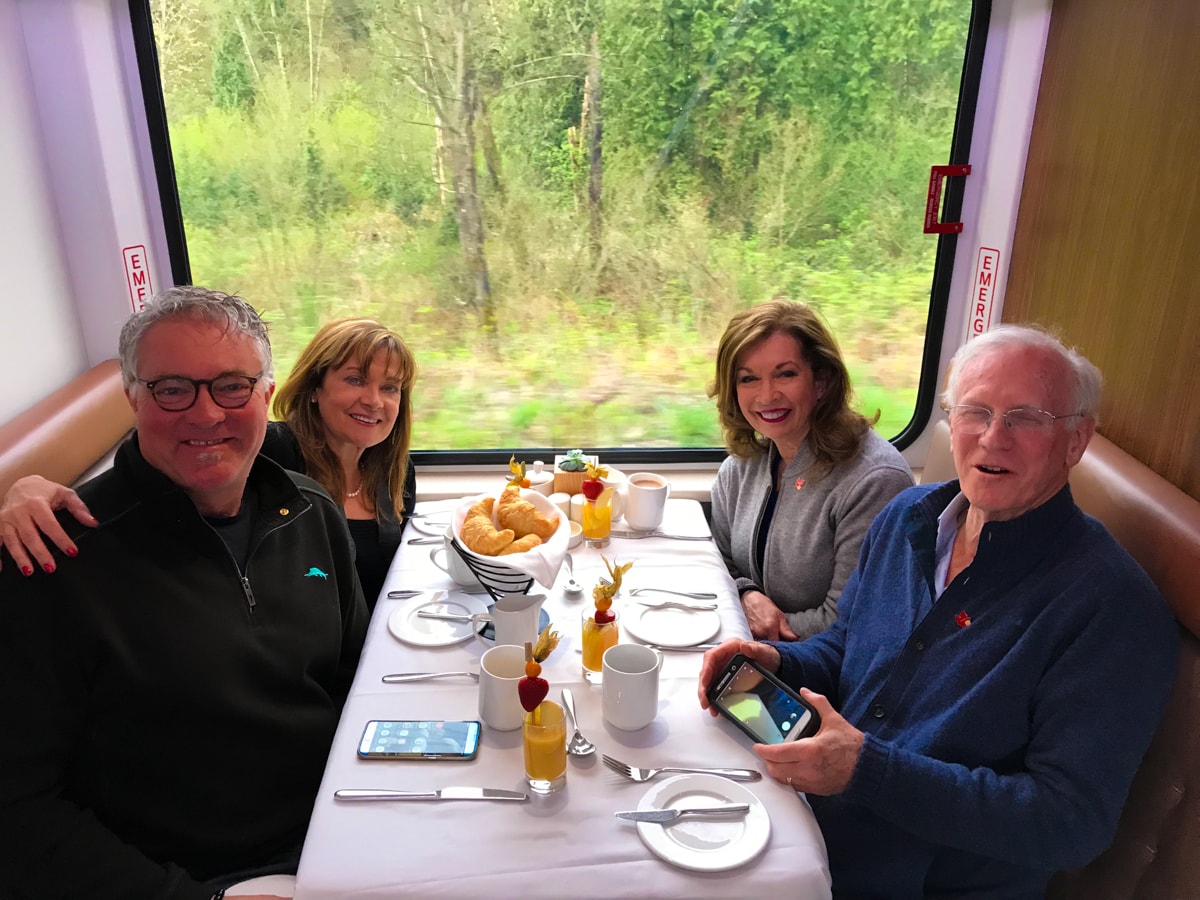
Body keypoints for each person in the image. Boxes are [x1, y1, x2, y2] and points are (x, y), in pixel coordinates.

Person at [697, 324, 1179, 898]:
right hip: (815, 821)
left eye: (1025, 418)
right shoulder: (907, 518)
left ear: (1076, 440)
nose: (992, 439)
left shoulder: (1112, 609)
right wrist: (777, 659)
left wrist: (863, 770)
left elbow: (1068, 823)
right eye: (974, 412)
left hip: (911, 880)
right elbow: (847, 647)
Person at [0, 287, 368, 899]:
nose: (204, 415)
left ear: (266, 395)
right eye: (171, 389)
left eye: (232, 386)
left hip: (337, 832)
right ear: (132, 400)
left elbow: (354, 683)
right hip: (192, 879)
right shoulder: (53, 562)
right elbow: (15, 808)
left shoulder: (312, 513)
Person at [0, 317, 417, 608]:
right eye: (355, 379)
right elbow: (152, 486)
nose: (374, 401)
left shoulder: (394, 473)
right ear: (313, 388)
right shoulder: (267, 453)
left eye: (391, 387)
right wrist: (29, 486)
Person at [708, 299, 913, 641]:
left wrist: (760, 634)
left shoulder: (875, 481)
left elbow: (847, 621)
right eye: (748, 379)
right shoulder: (741, 467)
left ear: (821, 382)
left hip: (821, 670)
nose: (766, 395)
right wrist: (745, 594)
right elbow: (719, 558)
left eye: (785, 374)